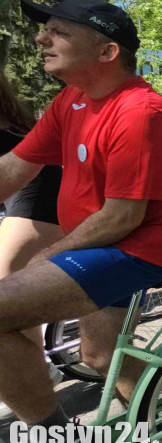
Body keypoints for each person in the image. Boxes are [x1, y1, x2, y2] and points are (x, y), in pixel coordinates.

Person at [0, 0, 162, 443]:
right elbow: (13, 168)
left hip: (142, 248)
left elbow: (122, 218)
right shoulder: (70, 101)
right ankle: (154, 439)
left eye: (59, 32)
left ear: (108, 52)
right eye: (43, 30)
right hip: (104, 243)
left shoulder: (141, 113)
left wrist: (44, 258)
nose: (40, 39)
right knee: (99, 356)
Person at [0, 72, 65, 421]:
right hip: (11, 193)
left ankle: (36, 375)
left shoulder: (8, 123)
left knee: (6, 286)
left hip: (35, 194)